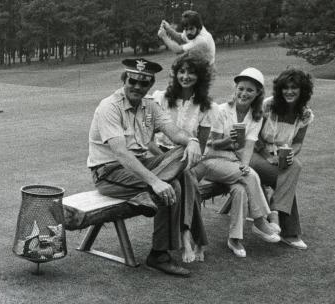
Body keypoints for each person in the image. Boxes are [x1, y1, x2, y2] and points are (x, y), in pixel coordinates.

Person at [87, 57, 205, 277]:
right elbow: (121, 153)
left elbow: (174, 132)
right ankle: (159, 255)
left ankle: (149, 198)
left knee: (182, 152)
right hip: (109, 172)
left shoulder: (149, 105)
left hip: (140, 165)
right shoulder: (109, 107)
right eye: (133, 81)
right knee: (174, 187)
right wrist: (155, 181)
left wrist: (193, 142)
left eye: (144, 83)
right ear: (124, 80)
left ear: (150, 85)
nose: (137, 87)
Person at [201, 67, 280, 258]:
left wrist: (244, 163)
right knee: (251, 175)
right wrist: (230, 141)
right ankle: (261, 221)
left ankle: (234, 239)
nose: (244, 93)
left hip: (231, 162)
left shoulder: (256, 116)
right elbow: (211, 143)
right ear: (235, 89)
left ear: (258, 93)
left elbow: (249, 146)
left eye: (250, 90)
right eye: (241, 88)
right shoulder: (221, 110)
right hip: (210, 160)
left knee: (241, 188)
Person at [149, 52, 216, 263]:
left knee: (185, 176)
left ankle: (187, 237)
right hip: (159, 156)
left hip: (190, 159)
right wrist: (168, 161)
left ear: (201, 77)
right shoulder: (159, 98)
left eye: (191, 73)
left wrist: (181, 162)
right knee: (185, 181)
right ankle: (192, 239)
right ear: (175, 73)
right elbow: (148, 141)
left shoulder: (207, 107)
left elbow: (201, 148)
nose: (185, 76)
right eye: (182, 71)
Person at [249, 68, 316, 249]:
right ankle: (287, 230)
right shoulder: (267, 105)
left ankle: (274, 210)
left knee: (295, 166)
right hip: (255, 153)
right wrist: (267, 156)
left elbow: (298, 142)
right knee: (285, 180)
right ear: (280, 89)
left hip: (280, 156)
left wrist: (290, 153)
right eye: (285, 87)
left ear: (303, 90)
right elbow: (253, 135)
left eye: (294, 88)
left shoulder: (305, 114)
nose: (289, 91)